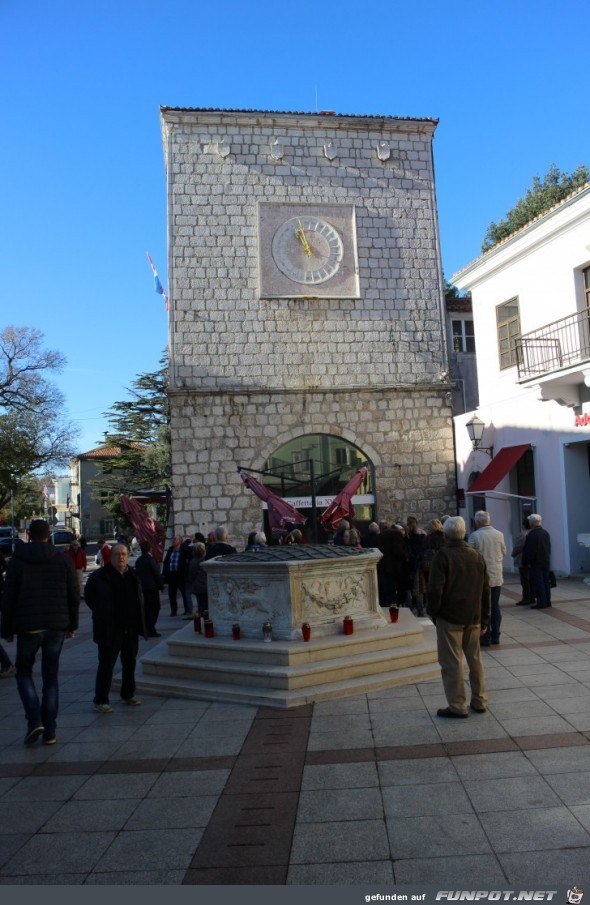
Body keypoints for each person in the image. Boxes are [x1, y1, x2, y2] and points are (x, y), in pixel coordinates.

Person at [0, 518, 80, 744]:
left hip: (28, 626)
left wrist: (6, 629)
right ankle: (50, 730)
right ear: (49, 536)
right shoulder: (62, 560)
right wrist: (72, 624)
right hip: (56, 624)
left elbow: (8, 598)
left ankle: (34, 719)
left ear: (29, 535)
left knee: (24, 672)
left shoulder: (17, 561)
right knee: (50, 677)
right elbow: (73, 594)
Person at [427, 515, 491, 718]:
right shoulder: (476, 555)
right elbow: (485, 590)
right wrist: (485, 618)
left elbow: (435, 589)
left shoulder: (443, 556)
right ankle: (480, 700)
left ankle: (457, 705)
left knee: (451, 662)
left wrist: (433, 612)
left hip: (450, 617)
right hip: (473, 616)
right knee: (475, 660)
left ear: (445, 535)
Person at [85, 543, 147, 713]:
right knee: (106, 664)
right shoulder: (100, 576)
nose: (121, 557)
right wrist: (102, 613)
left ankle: (128, 693)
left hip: (130, 627)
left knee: (130, 662)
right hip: (109, 628)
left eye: (124, 554)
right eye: (117, 554)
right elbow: (90, 598)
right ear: (110, 557)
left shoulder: (132, 574)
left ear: (128, 556)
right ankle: (101, 699)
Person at [469, 511, 506, 645]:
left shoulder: (475, 536)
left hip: (481, 577)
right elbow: (504, 552)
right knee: (494, 605)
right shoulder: (499, 534)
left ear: (477, 522)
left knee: (483, 606)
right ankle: (496, 635)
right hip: (496, 575)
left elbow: (470, 556)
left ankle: (485, 636)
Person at [134, 541, 164, 637]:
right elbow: (156, 574)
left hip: (144, 587)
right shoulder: (150, 559)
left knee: (147, 608)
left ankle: (145, 627)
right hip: (152, 587)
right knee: (155, 608)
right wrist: (161, 586)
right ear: (149, 549)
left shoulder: (139, 560)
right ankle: (150, 628)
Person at [522, 514, 552, 609]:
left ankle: (541, 602)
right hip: (545, 560)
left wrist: (526, 561)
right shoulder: (545, 533)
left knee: (538, 583)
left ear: (532, 523)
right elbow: (549, 547)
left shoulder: (532, 534)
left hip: (536, 562)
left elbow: (530, 550)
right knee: (546, 582)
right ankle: (547, 601)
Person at [162, 535, 189, 616]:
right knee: (172, 594)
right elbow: (166, 561)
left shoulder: (183, 550)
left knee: (184, 594)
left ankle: (187, 610)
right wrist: (164, 573)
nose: (173, 540)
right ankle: (174, 611)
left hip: (180, 575)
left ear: (180, 541)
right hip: (171, 575)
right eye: (173, 539)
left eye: (175, 539)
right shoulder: (170, 549)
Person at [511, 517, 535, 607]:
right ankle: (532, 597)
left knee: (524, 580)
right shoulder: (532, 533)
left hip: (523, 559)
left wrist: (513, 554)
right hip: (531, 560)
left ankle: (526, 598)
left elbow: (518, 547)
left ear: (524, 525)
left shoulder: (523, 535)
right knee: (530, 580)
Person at [188, 542, 209, 615]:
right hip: (205, 586)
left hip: (198, 587)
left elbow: (191, 575)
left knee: (201, 605)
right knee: (205, 606)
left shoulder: (193, 561)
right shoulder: (205, 561)